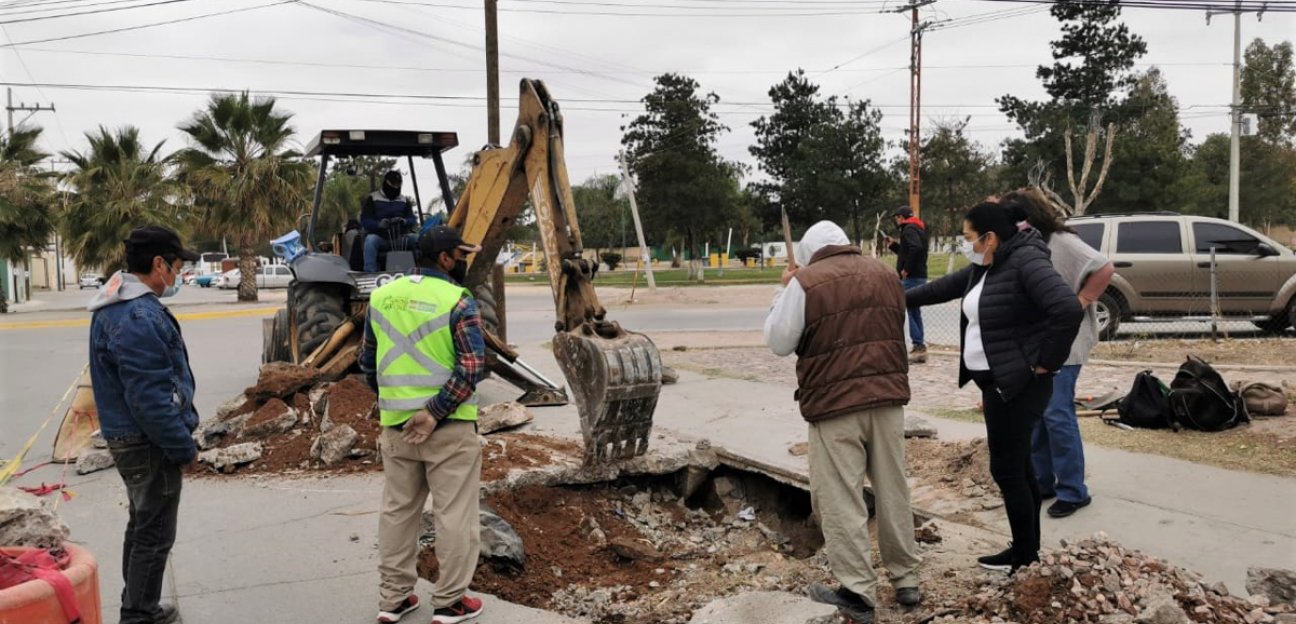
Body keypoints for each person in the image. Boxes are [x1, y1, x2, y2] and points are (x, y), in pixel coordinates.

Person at [905, 202, 1082, 574]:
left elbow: (1067, 309)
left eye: (969, 238)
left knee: (1007, 470)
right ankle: (1026, 550)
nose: (966, 244)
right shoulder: (988, 264)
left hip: (1018, 385)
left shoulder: (1026, 261)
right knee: (1019, 465)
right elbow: (941, 288)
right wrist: (892, 296)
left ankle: (1024, 559)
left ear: (990, 238)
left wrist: (1045, 362)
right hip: (998, 383)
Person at [764, 221, 922, 623]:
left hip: (835, 405)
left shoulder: (806, 282)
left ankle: (858, 592)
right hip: (887, 400)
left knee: (841, 497)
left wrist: (784, 290)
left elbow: (779, 341)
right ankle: (906, 579)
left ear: (810, 254)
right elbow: (899, 337)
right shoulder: (885, 274)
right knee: (893, 489)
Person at [360, 225, 487, 624]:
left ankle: (393, 599)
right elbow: (472, 367)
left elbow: (368, 364)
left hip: (397, 427)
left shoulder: (381, 296)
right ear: (445, 259)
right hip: (448, 428)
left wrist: (398, 406)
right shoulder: (457, 299)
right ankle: (449, 602)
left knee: (397, 512)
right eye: (460, 255)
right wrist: (433, 411)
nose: (464, 262)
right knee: (454, 515)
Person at [88, 225, 201, 624]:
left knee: (142, 526)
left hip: (131, 438)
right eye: (177, 267)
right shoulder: (137, 315)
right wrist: (182, 447)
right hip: (147, 443)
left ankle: (137, 604)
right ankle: (139, 615)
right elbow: (149, 400)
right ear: (158, 264)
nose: (178, 276)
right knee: (154, 534)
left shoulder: (115, 304)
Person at [1001, 189, 1114, 519]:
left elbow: (1104, 268)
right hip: (1037, 342)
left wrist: (1081, 301)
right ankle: (1043, 482)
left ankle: (1073, 491)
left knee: (1056, 414)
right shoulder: (1025, 243)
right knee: (1037, 416)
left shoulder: (1061, 241)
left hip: (1066, 341)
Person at [886, 206, 930, 363]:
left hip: (912, 276)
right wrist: (894, 245)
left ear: (902, 217)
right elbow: (909, 251)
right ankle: (919, 345)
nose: (896, 221)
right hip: (920, 274)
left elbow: (915, 249)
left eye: (897, 218)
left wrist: (906, 269)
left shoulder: (908, 229)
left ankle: (918, 346)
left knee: (910, 310)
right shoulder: (918, 228)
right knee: (915, 310)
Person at [362, 170, 420, 272]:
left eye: (398, 185)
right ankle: (370, 272)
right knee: (370, 240)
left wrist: (404, 221)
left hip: (400, 238)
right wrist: (378, 224)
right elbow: (365, 221)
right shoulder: (373, 198)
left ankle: (421, 270)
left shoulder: (404, 200)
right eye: (393, 185)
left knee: (417, 239)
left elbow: (412, 219)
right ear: (386, 183)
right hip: (381, 238)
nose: (396, 188)